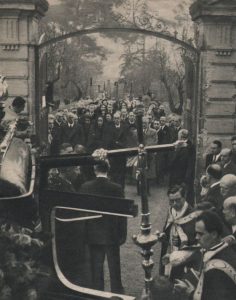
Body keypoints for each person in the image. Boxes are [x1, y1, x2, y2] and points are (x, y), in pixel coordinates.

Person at [79, 161, 127, 293]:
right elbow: (122, 213)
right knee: (114, 269)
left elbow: (82, 213)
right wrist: (122, 234)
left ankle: (98, 293)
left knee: (97, 269)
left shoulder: (85, 187)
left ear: (95, 169)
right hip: (112, 234)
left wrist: (84, 233)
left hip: (93, 234)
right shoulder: (116, 188)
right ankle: (117, 293)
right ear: (108, 169)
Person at [174, 211, 236, 300]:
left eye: (201, 234)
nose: (196, 237)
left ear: (214, 234)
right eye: (196, 233)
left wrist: (190, 293)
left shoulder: (215, 270)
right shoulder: (226, 250)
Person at [160, 185, 195, 279]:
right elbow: (167, 225)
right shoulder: (171, 209)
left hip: (182, 254)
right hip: (169, 247)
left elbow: (192, 241)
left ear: (184, 197)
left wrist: (179, 242)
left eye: (178, 200)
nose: (174, 204)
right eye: (171, 201)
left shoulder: (191, 214)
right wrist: (164, 235)